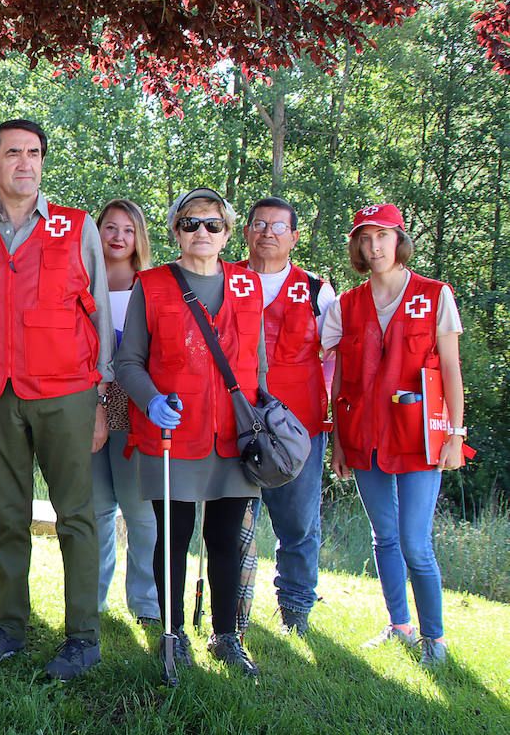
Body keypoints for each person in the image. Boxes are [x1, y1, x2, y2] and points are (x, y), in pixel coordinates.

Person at [0, 119, 114, 680]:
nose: (25, 163)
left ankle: (83, 637)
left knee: (75, 517)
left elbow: (102, 315)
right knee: (7, 517)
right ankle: (11, 626)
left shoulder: (77, 227)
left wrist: (103, 398)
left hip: (66, 395)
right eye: (12, 153)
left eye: (34, 153)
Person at [117, 187, 266, 677]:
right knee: (174, 536)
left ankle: (227, 636)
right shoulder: (153, 284)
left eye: (212, 224)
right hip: (174, 437)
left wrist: (264, 420)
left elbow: (257, 366)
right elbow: (128, 362)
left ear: (226, 232)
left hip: (234, 437)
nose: (201, 232)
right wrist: (151, 401)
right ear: (175, 231)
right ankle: (172, 632)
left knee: (226, 537)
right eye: (190, 224)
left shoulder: (248, 286)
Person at [325, 204, 468, 668]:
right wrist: (340, 442)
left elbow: (450, 369)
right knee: (383, 537)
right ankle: (398, 625)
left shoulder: (434, 294)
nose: (374, 246)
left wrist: (455, 433)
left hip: (419, 437)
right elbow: (339, 377)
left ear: (399, 239)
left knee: (414, 543)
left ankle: (434, 639)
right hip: (363, 435)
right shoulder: (347, 304)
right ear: (358, 247)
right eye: (365, 238)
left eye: (383, 236)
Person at [241, 196, 337, 636]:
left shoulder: (318, 290)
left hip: (300, 425)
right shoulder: (226, 279)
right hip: (238, 419)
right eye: (259, 224)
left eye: (278, 227)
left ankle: (296, 607)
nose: (267, 233)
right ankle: (234, 605)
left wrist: (326, 398)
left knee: (298, 520)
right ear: (245, 232)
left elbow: (335, 354)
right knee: (235, 517)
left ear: (294, 237)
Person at [90, 198, 159, 625]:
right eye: (110, 228)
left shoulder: (151, 286)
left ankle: (146, 604)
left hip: (135, 408)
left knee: (139, 510)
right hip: (88, 405)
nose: (117, 237)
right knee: (95, 508)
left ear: (139, 238)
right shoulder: (80, 280)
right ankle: (90, 602)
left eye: (127, 230)